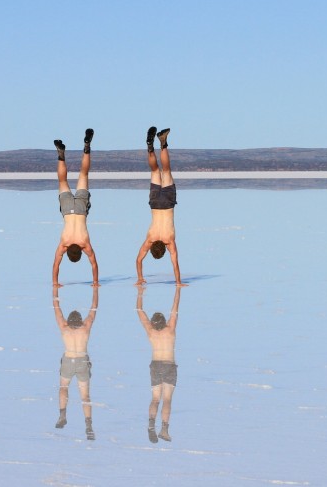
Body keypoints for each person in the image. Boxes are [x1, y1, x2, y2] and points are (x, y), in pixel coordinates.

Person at [135, 126, 184, 286]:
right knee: (156, 170)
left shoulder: (169, 242)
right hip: (155, 203)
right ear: (152, 248)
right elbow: (139, 259)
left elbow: (175, 264)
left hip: (168, 203)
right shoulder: (149, 239)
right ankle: (150, 147)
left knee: (167, 170)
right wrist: (139, 277)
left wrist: (178, 282)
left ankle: (163, 143)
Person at [53, 128, 99, 288]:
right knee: (62, 181)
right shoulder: (63, 244)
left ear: (80, 251)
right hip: (67, 209)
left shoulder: (85, 244)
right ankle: (61, 155)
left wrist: (95, 282)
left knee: (83, 175)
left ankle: (87, 147)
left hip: (80, 209)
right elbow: (56, 265)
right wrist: (55, 282)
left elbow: (93, 264)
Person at [53, 285, 98, 440]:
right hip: (82, 361)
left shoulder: (64, 327)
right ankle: (88, 425)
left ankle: (62, 415)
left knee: (63, 387)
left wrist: (55, 291)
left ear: (68, 320)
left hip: (68, 360)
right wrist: (95, 291)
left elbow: (56, 308)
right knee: (85, 396)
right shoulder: (85, 328)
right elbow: (93, 309)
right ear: (80, 320)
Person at [137, 285, 180, 443]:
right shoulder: (170, 330)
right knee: (167, 399)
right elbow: (175, 310)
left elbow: (140, 313)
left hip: (155, 366)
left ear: (153, 323)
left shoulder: (151, 331)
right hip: (169, 366)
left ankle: (150, 425)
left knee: (155, 399)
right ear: (164, 321)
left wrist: (140, 294)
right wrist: (177, 291)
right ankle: (164, 429)